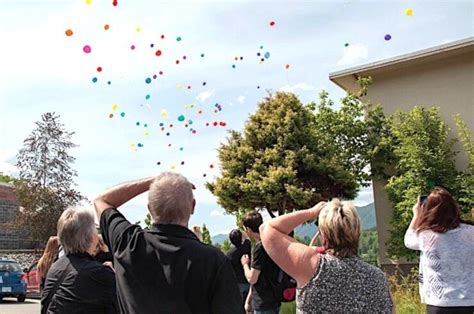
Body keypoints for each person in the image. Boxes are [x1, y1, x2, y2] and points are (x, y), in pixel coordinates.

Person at [94, 173, 242, 314]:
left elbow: (102, 200)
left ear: (150, 208)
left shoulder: (128, 243)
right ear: (193, 206)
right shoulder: (213, 260)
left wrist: (152, 181)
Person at [260, 199, 393, 313]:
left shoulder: (311, 267)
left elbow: (267, 229)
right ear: (357, 231)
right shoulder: (378, 277)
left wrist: (311, 212)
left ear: (323, 234)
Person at [404, 187, 474, 313]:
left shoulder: (426, 236)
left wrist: (416, 216)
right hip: (469, 301)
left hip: (438, 302)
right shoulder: (471, 232)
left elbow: (408, 240)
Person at [41, 207, 118, 313]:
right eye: (95, 228)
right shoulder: (99, 273)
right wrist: (115, 276)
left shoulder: (55, 267)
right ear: (91, 237)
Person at [240, 211, 281, 314]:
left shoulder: (259, 248)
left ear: (248, 229)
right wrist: (249, 300)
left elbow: (252, 278)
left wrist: (245, 264)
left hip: (264, 303)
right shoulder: (270, 242)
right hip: (275, 298)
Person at [226, 229, 251, 309]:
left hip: (237, 283)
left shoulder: (229, 254)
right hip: (247, 280)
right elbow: (247, 237)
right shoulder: (247, 247)